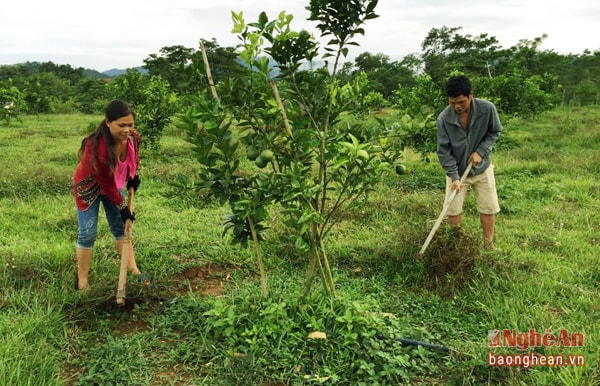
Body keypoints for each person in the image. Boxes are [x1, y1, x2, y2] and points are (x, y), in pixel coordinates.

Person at [73, 99, 148, 290]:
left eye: (130, 125)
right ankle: (82, 282)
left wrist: (133, 175)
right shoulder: (98, 147)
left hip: (113, 184)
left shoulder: (133, 136)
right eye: (121, 125)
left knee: (121, 228)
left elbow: (134, 156)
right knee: (88, 233)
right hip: (89, 187)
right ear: (108, 122)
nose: (127, 129)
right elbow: (105, 183)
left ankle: (134, 271)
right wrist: (122, 207)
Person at [436, 75, 502, 250]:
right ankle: (454, 246)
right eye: (452, 103)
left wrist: (481, 151)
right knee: (452, 209)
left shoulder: (487, 109)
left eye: (461, 102)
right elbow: (444, 150)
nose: (457, 106)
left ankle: (488, 243)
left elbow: (494, 132)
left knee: (488, 207)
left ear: (470, 95)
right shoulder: (444, 118)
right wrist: (454, 176)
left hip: (482, 168)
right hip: (457, 171)